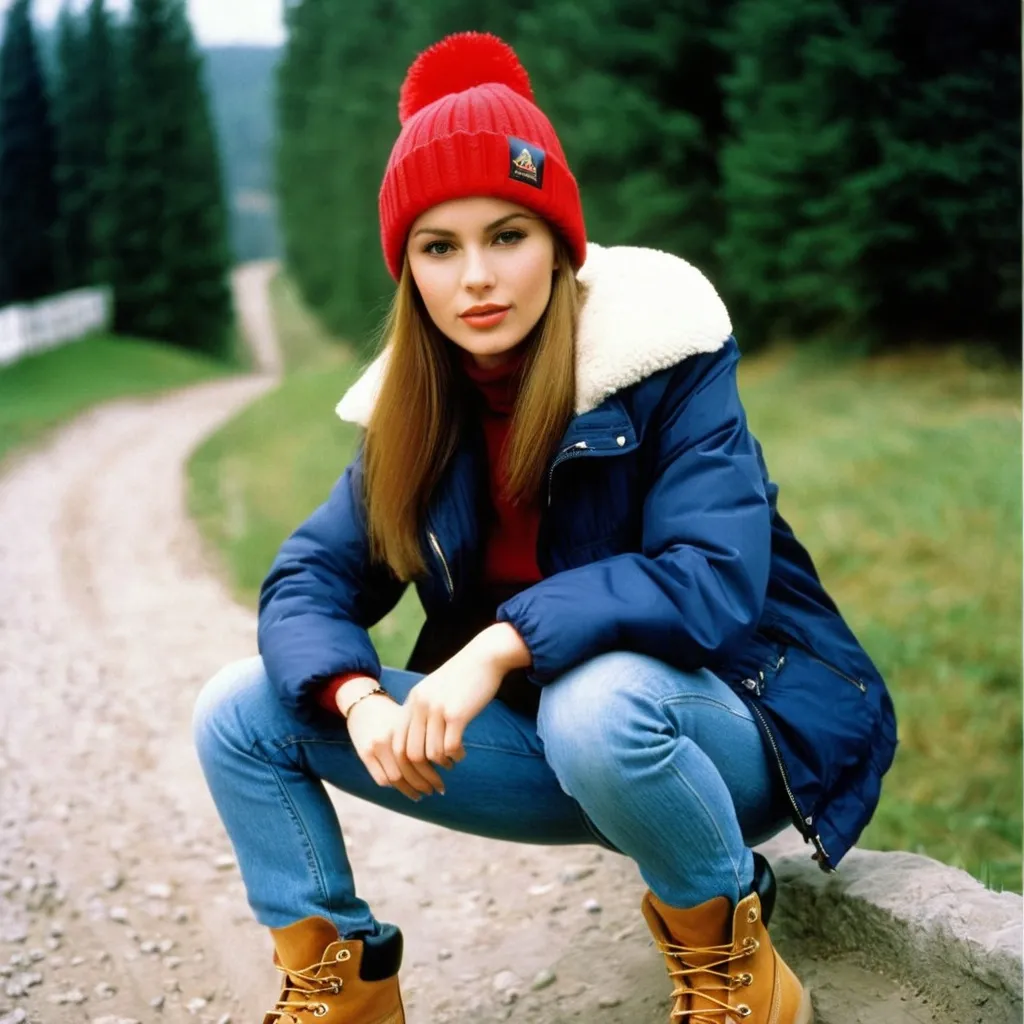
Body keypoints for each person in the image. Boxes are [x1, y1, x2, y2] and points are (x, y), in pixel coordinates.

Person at [193, 31, 897, 1024]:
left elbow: (709, 577)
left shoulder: (667, 362)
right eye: (439, 247)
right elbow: (309, 575)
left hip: (730, 733)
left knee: (596, 702)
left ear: (559, 241)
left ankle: (737, 968)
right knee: (239, 707)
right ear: (411, 272)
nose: (475, 276)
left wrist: (502, 642)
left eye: (506, 235)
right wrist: (354, 697)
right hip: (556, 755)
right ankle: (345, 990)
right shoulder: (417, 410)